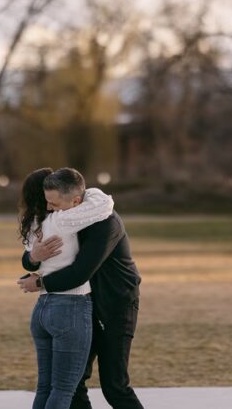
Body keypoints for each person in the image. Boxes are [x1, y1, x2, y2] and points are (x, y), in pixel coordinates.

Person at [18, 168, 143, 409]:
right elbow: (36, 254)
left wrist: (41, 282)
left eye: (54, 204)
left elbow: (80, 272)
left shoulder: (106, 222)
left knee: (114, 386)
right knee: (73, 384)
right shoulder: (70, 216)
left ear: (75, 200)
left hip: (116, 304)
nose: (50, 209)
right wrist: (33, 258)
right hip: (84, 306)